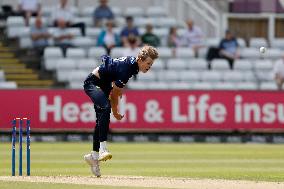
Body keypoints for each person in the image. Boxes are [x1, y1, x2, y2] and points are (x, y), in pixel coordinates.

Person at [83, 45, 159, 177]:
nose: (149, 67)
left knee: (99, 120)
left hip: (104, 84)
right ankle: (102, 149)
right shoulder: (128, 69)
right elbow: (115, 93)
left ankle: (93, 157)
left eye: (151, 65)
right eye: (148, 63)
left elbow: (115, 88)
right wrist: (116, 111)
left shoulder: (132, 66)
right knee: (106, 108)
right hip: (93, 82)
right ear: (140, 60)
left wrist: (117, 91)